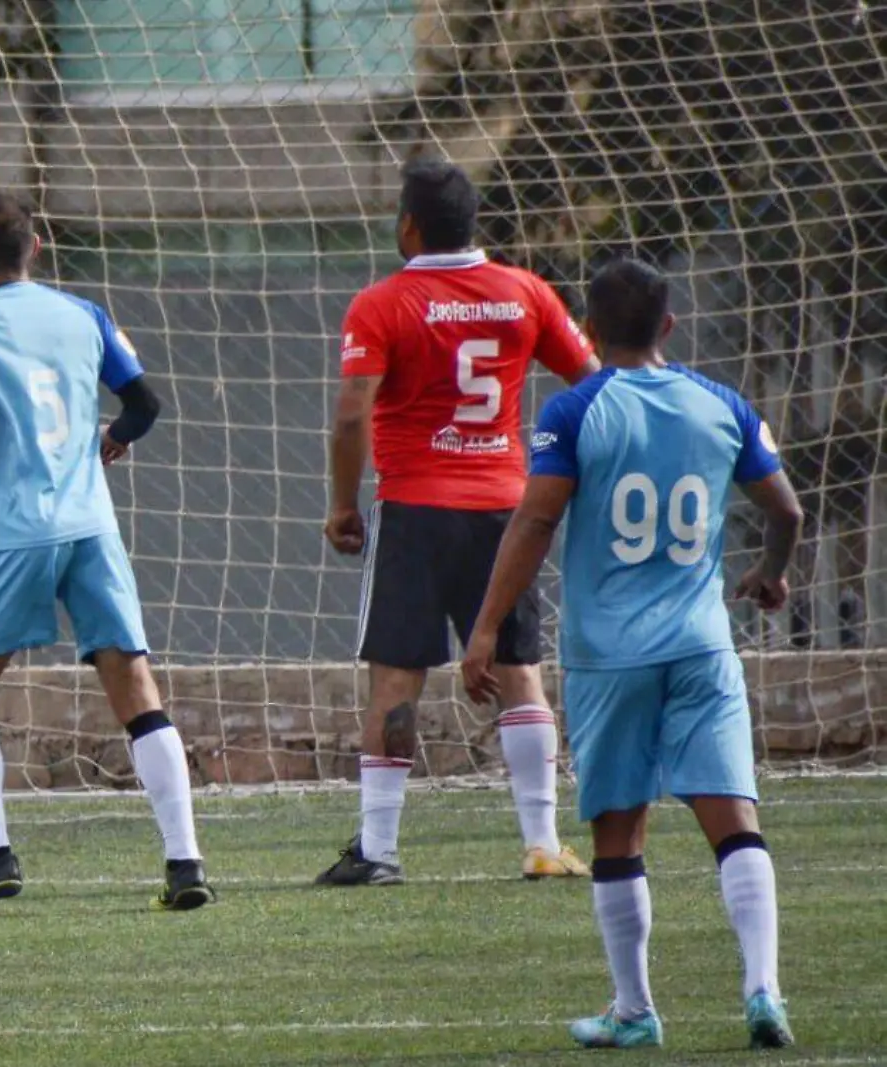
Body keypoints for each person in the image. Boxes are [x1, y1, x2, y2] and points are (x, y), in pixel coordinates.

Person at [461, 258, 801, 1050]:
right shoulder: (723, 405)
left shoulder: (576, 411)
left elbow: (537, 521)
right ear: (669, 327)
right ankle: (764, 988)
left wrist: (485, 628)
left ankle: (636, 1008)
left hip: (610, 656)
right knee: (734, 821)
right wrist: (771, 573)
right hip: (700, 645)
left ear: (587, 329)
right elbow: (786, 508)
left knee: (619, 832)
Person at [0, 189, 211, 913]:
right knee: (135, 687)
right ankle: (185, 861)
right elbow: (144, 403)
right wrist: (113, 439)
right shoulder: (84, 314)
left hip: (17, 530)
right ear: (37, 249)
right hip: (92, 527)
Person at [318, 159, 600, 885]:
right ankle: (541, 841)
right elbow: (594, 381)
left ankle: (378, 851)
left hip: (414, 508)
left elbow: (352, 412)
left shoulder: (382, 303)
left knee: (396, 678)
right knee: (519, 672)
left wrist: (344, 504)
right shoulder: (524, 292)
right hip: (505, 512)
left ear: (409, 226)